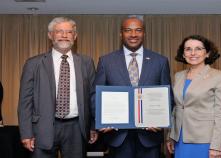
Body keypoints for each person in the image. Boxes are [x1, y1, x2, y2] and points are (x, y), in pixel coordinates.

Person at [92, 15, 172, 158]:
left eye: (138, 30)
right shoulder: (106, 61)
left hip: (150, 137)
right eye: (128, 30)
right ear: (121, 34)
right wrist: (101, 120)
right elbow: (95, 96)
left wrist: (161, 120)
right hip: (117, 136)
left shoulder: (160, 61)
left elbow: (167, 97)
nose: (133, 34)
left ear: (144, 34)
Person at [18, 17, 97, 158]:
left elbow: (92, 97)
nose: (64, 35)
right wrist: (26, 133)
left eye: (69, 32)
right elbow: (25, 102)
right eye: (59, 31)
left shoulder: (86, 63)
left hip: (76, 129)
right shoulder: (33, 64)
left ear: (75, 36)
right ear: (50, 35)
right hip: (42, 129)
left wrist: (92, 126)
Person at [166, 35, 221, 158]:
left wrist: (217, 146)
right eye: (188, 49)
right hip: (179, 140)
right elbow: (176, 109)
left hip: (204, 141)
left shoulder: (220, 77)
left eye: (198, 49)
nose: (193, 53)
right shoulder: (178, 76)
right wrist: (171, 135)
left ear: (207, 53)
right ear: (183, 54)